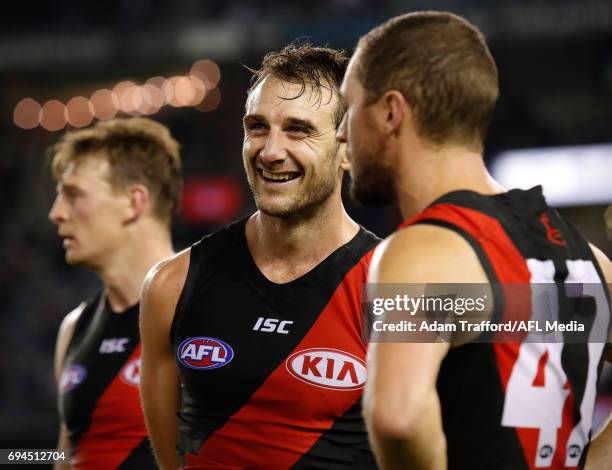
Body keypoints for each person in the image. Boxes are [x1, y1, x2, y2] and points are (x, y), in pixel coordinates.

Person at [337, 11, 612, 470]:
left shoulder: (420, 252)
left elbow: (398, 420)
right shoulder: (590, 260)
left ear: (390, 111)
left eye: (350, 106)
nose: (342, 131)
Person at [140, 44, 380, 469]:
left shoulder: (391, 287)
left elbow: (532, 327)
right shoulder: (170, 285)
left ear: (348, 149)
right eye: (257, 127)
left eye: (298, 130)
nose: (270, 151)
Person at [49, 117, 183, 469]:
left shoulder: (208, 306)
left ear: (133, 202)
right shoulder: (74, 328)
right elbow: (66, 458)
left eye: (73, 195)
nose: (56, 214)